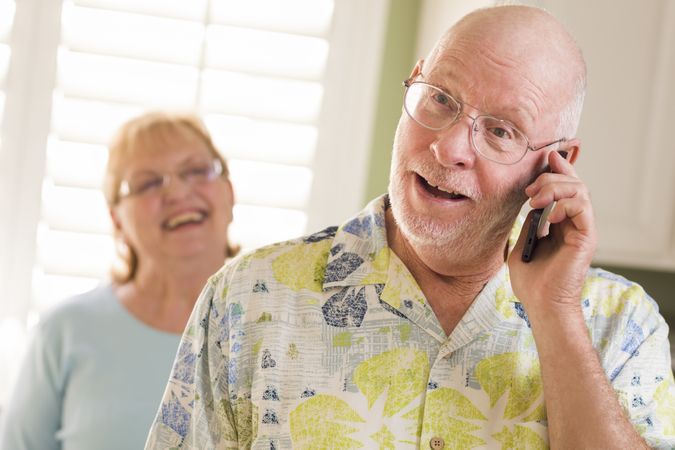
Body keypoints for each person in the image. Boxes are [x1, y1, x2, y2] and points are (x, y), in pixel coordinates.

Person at [146, 6, 675, 450]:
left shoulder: (621, 327)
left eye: (500, 131)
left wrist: (557, 315)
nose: (449, 148)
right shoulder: (246, 300)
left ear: (557, 162)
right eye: (441, 98)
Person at [0, 111, 238, 449]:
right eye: (149, 183)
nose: (178, 192)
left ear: (229, 192)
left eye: (197, 171)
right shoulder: (65, 332)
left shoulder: (281, 327)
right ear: (117, 220)